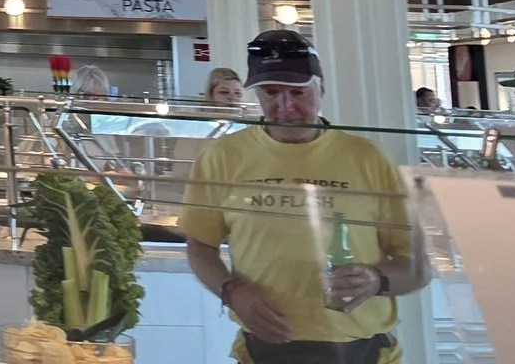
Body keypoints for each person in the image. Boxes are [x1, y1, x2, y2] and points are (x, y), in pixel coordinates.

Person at [182, 30, 427, 363]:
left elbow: (417, 267)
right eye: (270, 93)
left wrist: (376, 279)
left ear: (321, 89)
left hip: (363, 348)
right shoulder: (222, 157)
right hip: (266, 348)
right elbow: (200, 245)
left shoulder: (367, 158)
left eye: (298, 92)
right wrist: (231, 291)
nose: (285, 106)